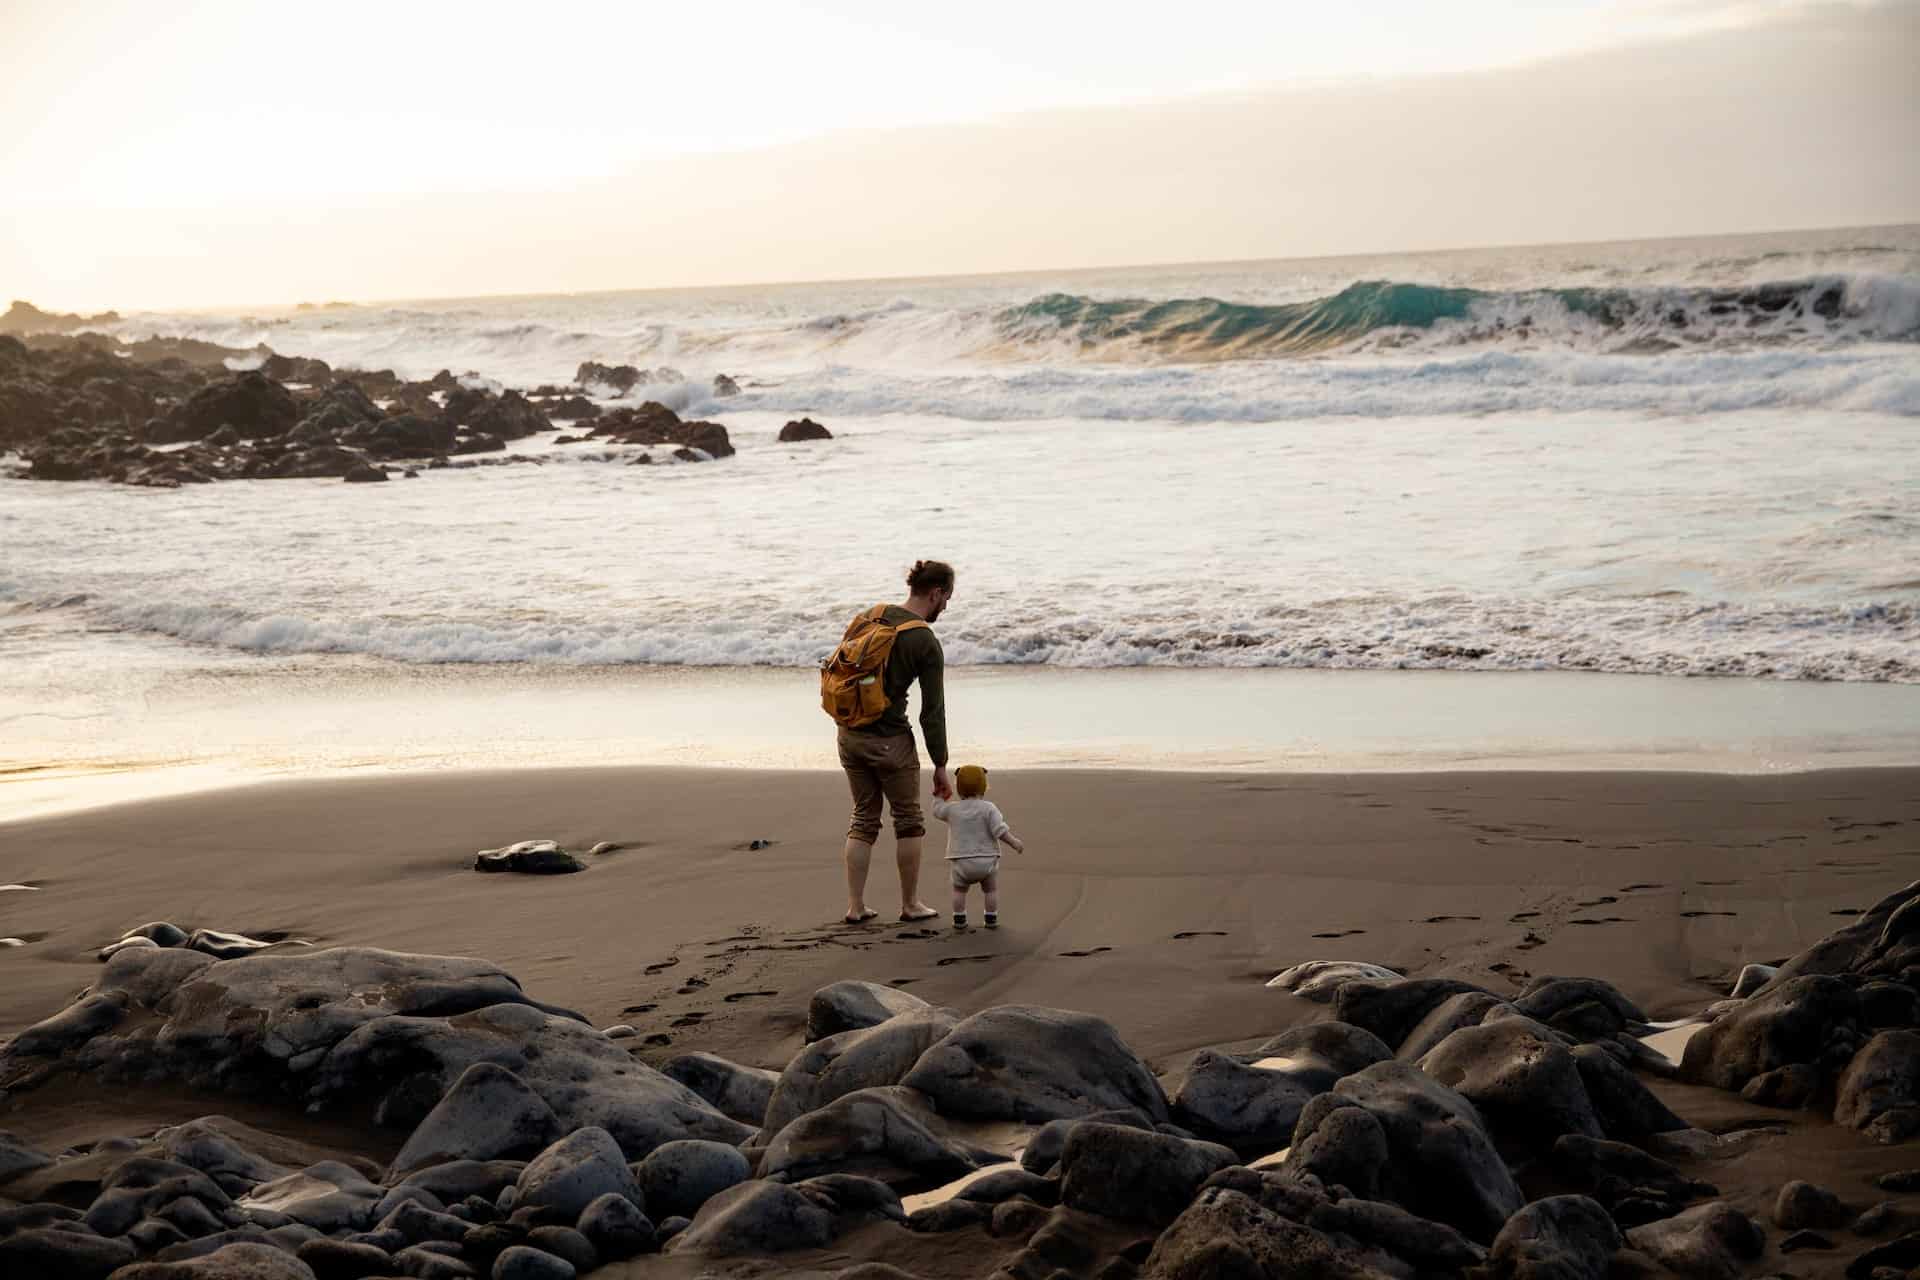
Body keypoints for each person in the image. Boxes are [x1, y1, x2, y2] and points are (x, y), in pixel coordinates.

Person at [837, 559, 955, 924]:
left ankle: (856, 907)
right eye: (947, 598)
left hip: (849, 735)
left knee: (863, 818)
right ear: (935, 593)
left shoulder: (871, 616)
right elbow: (931, 712)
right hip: (889, 741)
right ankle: (910, 904)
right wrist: (939, 764)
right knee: (908, 820)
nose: (947, 606)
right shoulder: (923, 640)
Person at [933, 764, 1023, 929]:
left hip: (961, 862)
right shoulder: (989, 808)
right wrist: (1014, 842)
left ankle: (959, 919)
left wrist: (940, 795)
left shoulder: (952, 809)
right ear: (983, 786)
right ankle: (991, 918)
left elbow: (937, 811)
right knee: (990, 891)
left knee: (959, 891)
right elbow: (999, 830)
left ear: (958, 788)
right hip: (987, 860)